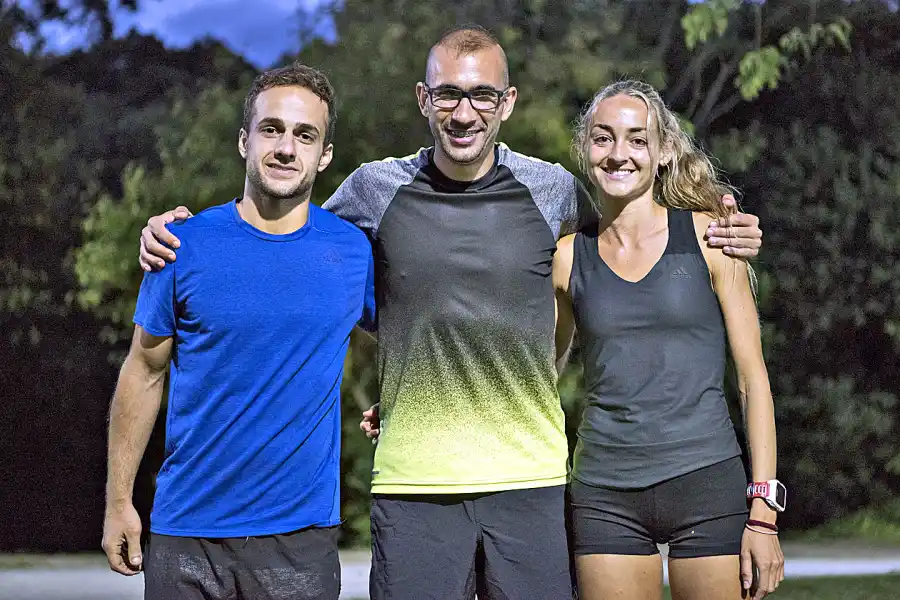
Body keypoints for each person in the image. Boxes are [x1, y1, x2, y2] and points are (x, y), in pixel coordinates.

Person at [137, 27, 764, 600]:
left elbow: (631, 241)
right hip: (414, 489)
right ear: (423, 99)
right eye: (448, 95)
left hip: (530, 482)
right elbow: (288, 230)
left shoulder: (552, 192)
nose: (465, 113)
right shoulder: (374, 189)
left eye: (483, 96)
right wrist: (179, 231)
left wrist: (724, 222)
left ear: (509, 102)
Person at [101, 63, 375, 600]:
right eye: (272, 129)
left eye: (305, 135)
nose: (286, 148)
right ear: (245, 141)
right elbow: (144, 370)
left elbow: (419, 334)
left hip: (299, 540)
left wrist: (397, 397)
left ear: (324, 155)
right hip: (187, 532)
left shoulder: (352, 251)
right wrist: (118, 502)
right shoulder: (181, 245)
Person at [552, 79, 783, 600]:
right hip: (604, 492)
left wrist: (763, 510)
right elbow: (542, 372)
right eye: (603, 137)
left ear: (661, 154)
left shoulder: (711, 239)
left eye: (637, 140)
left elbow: (753, 381)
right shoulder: (568, 257)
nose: (618, 154)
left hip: (706, 481)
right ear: (585, 148)